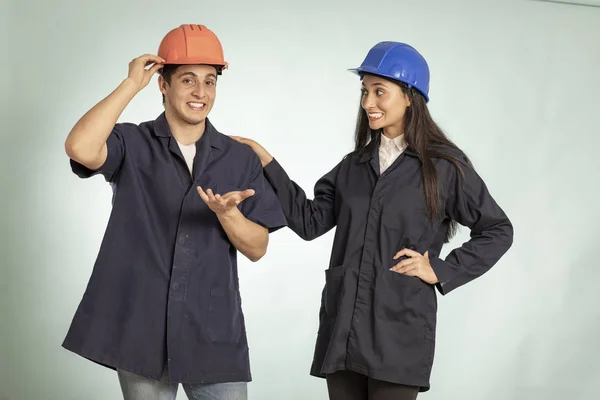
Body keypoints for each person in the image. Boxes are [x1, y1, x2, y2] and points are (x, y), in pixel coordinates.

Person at [232, 41, 514, 400]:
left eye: (379, 92)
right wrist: (267, 162)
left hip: (398, 333)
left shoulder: (443, 167)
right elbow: (308, 221)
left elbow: (497, 229)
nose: (368, 103)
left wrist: (440, 269)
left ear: (409, 97)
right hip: (345, 328)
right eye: (364, 91)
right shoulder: (355, 166)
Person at [62, 24, 287, 400]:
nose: (201, 93)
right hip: (142, 330)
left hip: (213, 333)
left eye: (210, 81)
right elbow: (81, 148)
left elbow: (257, 247)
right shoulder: (132, 143)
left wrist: (228, 214)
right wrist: (131, 84)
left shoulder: (238, 158)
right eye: (187, 80)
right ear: (163, 85)